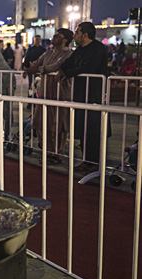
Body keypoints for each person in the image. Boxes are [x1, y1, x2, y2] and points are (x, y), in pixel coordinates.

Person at [59, 22, 109, 172]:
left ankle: (94, 161)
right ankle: (87, 160)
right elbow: (68, 63)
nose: (74, 35)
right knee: (82, 126)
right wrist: (62, 69)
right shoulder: (80, 50)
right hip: (81, 92)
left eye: (77, 32)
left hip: (94, 93)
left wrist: (67, 73)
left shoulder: (98, 48)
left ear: (85, 35)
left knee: (93, 127)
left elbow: (88, 68)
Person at [24, 28, 74, 164]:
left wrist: (37, 69)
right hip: (45, 94)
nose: (54, 36)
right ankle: (48, 150)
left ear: (65, 40)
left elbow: (56, 66)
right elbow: (37, 63)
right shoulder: (47, 53)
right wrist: (28, 67)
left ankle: (57, 154)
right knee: (39, 122)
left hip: (60, 94)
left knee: (59, 125)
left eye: (58, 35)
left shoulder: (68, 54)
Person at [23, 35, 46, 101]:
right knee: (31, 85)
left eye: (39, 39)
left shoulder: (43, 50)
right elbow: (27, 59)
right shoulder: (30, 50)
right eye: (36, 39)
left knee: (39, 86)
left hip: (39, 70)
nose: (38, 41)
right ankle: (30, 100)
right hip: (32, 70)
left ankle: (38, 99)